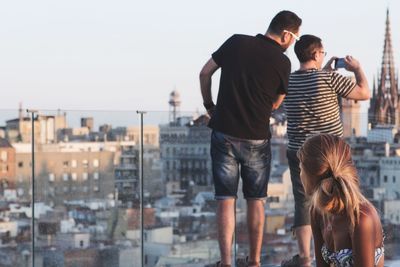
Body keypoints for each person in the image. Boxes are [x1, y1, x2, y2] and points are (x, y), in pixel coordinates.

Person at [199, 10, 302, 267]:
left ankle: (226, 262)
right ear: (286, 34)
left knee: (225, 200)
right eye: (295, 39)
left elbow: (204, 73)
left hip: (224, 133)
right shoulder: (282, 63)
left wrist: (209, 105)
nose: (292, 45)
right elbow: (278, 102)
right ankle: (255, 262)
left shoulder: (236, 42)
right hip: (257, 137)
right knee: (256, 200)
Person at [282, 34, 371, 267]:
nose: (324, 56)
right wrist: (357, 69)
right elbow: (364, 93)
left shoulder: (288, 81)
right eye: (322, 52)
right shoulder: (329, 78)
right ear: (315, 54)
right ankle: (343, 249)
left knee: (303, 203)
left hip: (299, 152)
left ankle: (305, 258)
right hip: (330, 151)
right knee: (341, 197)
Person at [297, 134, 384, 267]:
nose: (300, 175)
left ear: (312, 175)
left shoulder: (360, 218)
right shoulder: (317, 213)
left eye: (301, 169)